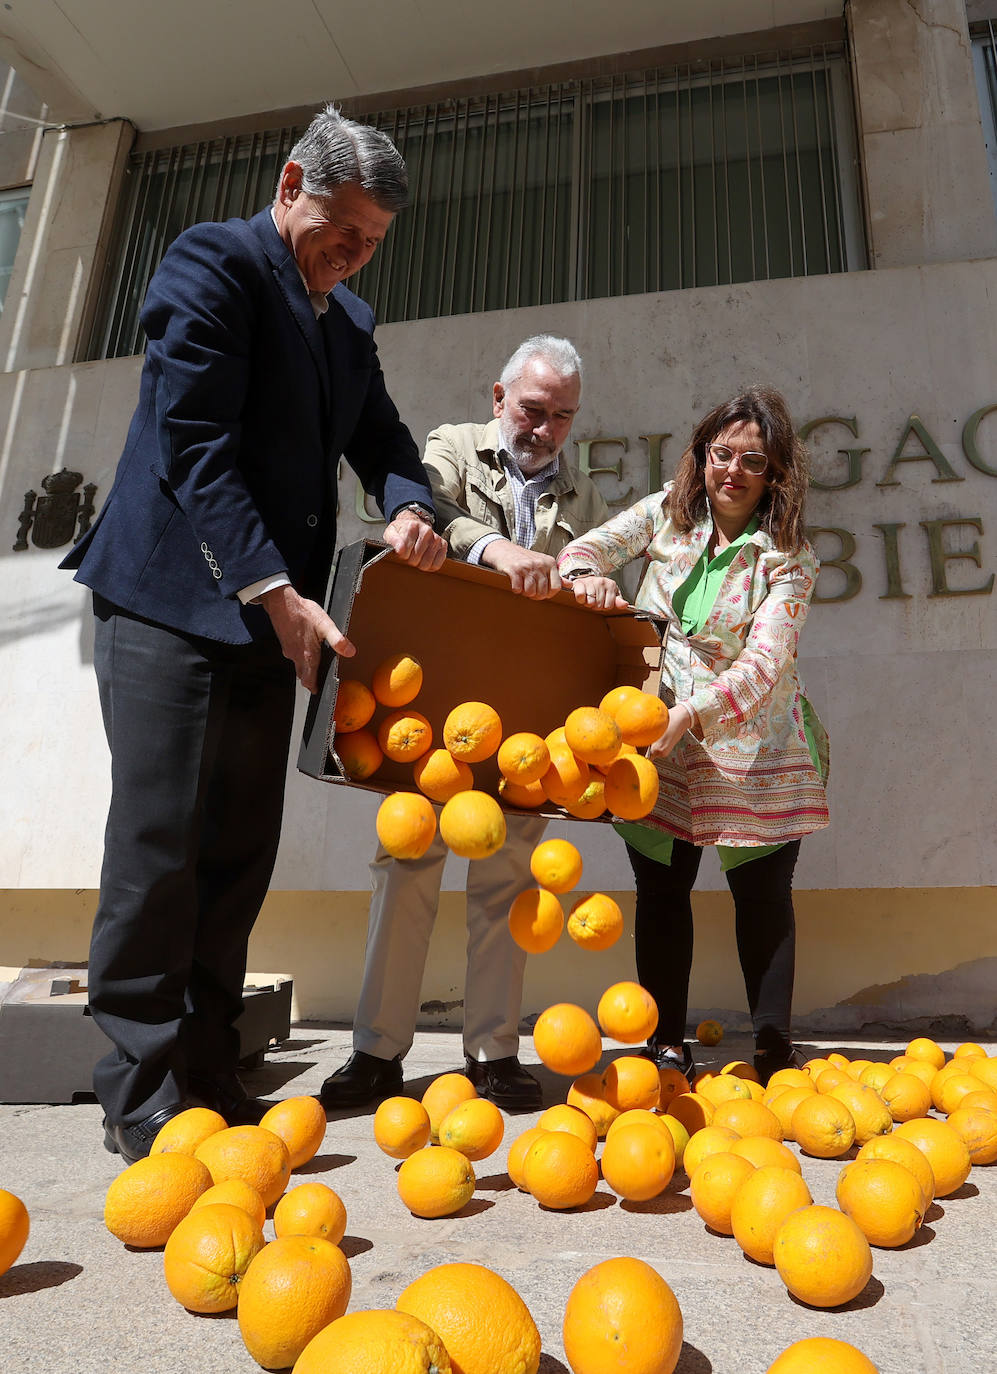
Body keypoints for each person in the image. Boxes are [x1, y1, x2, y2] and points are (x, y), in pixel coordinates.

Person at [61, 105, 447, 1164]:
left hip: (278, 625)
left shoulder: (349, 322)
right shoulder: (213, 264)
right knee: (161, 844)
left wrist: (413, 505)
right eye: (340, 226)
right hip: (172, 606)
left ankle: (206, 1068)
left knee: (236, 850)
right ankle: (136, 1089)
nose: (352, 251)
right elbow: (193, 443)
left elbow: (384, 441)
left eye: (371, 240)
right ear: (290, 186)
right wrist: (275, 587)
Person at [319, 335, 610, 1110]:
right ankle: (376, 1054)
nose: (543, 429)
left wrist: (594, 584)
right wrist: (494, 548)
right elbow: (420, 502)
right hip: (428, 708)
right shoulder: (451, 447)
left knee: (506, 885)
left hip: (522, 725)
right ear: (497, 398)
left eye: (561, 417)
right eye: (531, 409)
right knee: (406, 868)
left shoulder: (582, 497)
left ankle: (492, 1052)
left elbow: (597, 581)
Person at [557, 386, 829, 1087]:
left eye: (752, 460)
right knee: (661, 891)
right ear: (701, 455)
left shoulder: (790, 558)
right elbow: (584, 549)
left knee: (762, 897)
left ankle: (772, 1049)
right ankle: (664, 1043)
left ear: (775, 475)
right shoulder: (665, 515)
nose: (731, 470)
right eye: (720, 453)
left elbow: (765, 663)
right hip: (656, 738)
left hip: (752, 743)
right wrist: (586, 579)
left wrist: (693, 712)